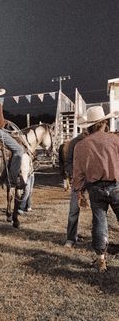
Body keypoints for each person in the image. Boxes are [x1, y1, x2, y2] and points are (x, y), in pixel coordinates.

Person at [72, 106, 119, 272]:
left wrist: (79, 192)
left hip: (95, 189)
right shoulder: (115, 140)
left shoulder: (81, 145)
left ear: (89, 126)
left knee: (99, 221)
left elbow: (78, 172)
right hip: (116, 185)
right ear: (104, 123)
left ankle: (100, 259)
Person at [64, 126, 89, 248]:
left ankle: (98, 239)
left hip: (94, 178)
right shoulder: (74, 142)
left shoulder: (95, 140)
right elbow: (68, 162)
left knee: (98, 210)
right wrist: (73, 174)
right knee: (74, 209)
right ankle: (70, 238)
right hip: (79, 178)